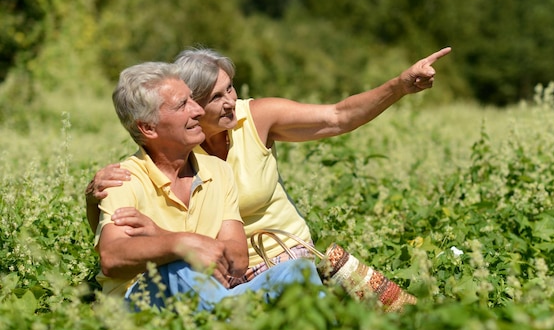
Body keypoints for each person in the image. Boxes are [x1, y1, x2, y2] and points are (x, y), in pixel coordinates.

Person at [87, 47, 452, 288]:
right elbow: (125, 227)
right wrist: (93, 198)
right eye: (216, 97)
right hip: (218, 270)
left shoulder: (255, 118)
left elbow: (338, 116)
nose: (231, 102)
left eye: (230, 89)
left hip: (282, 253)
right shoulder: (175, 146)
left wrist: (399, 86)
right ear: (191, 104)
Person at [95, 61, 321, 310]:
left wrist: (167, 237)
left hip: (212, 297)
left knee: (296, 270)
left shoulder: (218, 171)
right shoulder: (122, 179)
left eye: (193, 99)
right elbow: (112, 256)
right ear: (148, 127)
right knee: (176, 267)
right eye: (183, 105)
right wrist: (179, 246)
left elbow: (237, 259)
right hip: (142, 307)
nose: (198, 111)